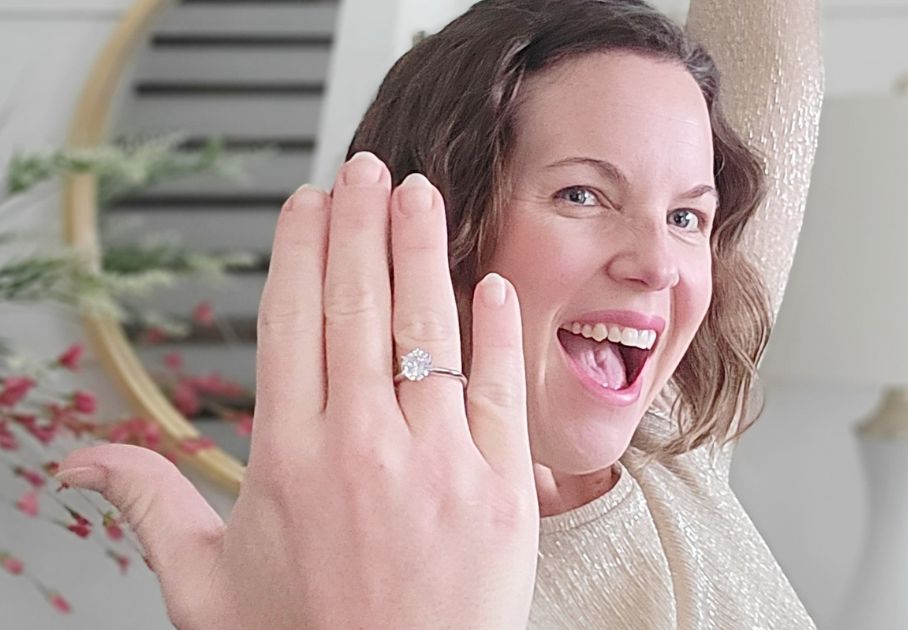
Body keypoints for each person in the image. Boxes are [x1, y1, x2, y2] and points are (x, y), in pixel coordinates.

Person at [56, 0, 823, 628]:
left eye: (687, 217)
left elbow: (775, 57)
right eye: (581, 195)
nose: (656, 264)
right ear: (448, 225)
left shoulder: (668, 442)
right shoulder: (367, 565)